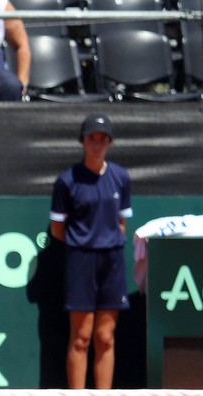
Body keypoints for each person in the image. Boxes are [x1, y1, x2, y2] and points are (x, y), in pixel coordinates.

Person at [49, 114, 133, 389]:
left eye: (103, 139)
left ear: (109, 143)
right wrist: (83, 243)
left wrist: (105, 241)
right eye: (92, 139)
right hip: (80, 262)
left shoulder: (121, 177)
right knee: (81, 337)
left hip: (112, 262)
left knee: (105, 337)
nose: (97, 145)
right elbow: (57, 230)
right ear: (83, 142)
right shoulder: (67, 181)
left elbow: (121, 225)